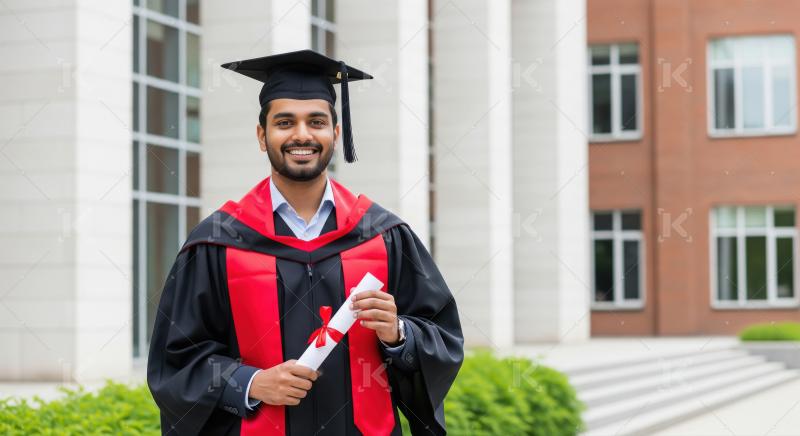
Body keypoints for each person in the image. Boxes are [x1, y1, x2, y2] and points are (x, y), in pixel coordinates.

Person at [147, 49, 464, 436]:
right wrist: (247, 383)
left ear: (335, 132)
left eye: (316, 121)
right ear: (263, 136)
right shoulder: (218, 242)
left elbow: (443, 338)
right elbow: (175, 360)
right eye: (285, 122)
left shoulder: (383, 235)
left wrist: (398, 334)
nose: (301, 135)